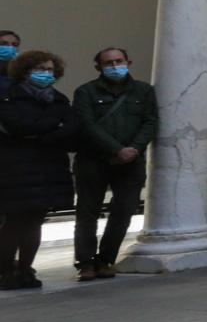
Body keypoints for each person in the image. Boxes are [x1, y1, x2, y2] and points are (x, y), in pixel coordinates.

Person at [70, 47, 157, 280]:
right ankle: (85, 262)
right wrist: (116, 149)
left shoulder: (144, 91)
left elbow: (150, 122)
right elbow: (87, 125)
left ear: (129, 62)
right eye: (108, 63)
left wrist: (134, 149)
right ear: (98, 67)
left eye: (119, 61)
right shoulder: (85, 92)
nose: (115, 66)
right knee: (88, 212)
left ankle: (106, 258)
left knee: (124, 211)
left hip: (131, 162)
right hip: (93, 160)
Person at [0, 50, 83, 289]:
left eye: (49, 70)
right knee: (15, 222)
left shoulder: (58, 99)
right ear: (24, 71)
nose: (46, 74)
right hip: (16, 169)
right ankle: (6, 270)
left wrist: (41, 133)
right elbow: (18, 126)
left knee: (35, 221)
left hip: (48, 168)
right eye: (39, 69)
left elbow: (71, 128)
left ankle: (26, 269)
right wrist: (52, 127)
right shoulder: (8, 96)